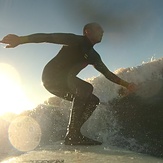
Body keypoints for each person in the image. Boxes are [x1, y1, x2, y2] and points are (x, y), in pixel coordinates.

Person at [0, 22, 136, 145]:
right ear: (87, 31)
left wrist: (127, 84)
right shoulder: (75, 40)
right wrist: (21, 40)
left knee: (93, 101)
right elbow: (48, 37)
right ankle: (72, 134)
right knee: (86, 88)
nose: (102, 32)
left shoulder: (94, 56)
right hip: (51, 77)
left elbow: (107, 74)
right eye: (99, 29)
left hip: (65, 82)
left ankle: (74, 133)